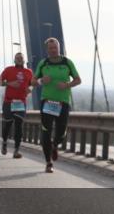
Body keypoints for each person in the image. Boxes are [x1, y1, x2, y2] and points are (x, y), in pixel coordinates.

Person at [33, 38, 81, 173]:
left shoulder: (67, 62)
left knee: (61, 133)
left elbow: (78, 80)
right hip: (47, 102)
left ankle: (55, 145)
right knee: (46, 132)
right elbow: (33, 82)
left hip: (63, 102)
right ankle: (48, 162)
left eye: (55, 48)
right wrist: (41, 80)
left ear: (59, 48)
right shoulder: (43, 63)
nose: (53, 50)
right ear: (47, 50)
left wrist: (67, 85)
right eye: (50, 48)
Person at [0, 52, 33, 158]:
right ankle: (4, 142)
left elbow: (32, 85)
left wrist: (30, 89)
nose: (19, 59)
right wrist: (9, 83)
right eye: (17, 58)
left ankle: (16, 150)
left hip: (21, 103)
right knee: (7, 125)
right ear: (14, 60)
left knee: (19, 126)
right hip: (9, 102)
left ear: (24, 60)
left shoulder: (29, 72)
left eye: (21, 58)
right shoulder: (8, 70)